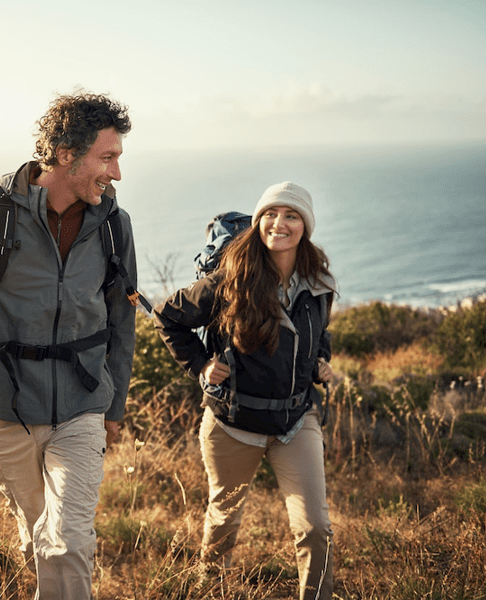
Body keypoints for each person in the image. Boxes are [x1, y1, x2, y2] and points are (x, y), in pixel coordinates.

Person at [0, 92, 137, 600]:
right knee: (36, 532)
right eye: (108, 158)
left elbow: (121, 324)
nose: (118, 174)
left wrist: (115, 404)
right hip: (4, 407)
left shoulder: (113, 225)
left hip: (84, 404)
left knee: (66, 540)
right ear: (65, 154)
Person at [153, 182, 337, 599]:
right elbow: (168, 316)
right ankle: (209, 591)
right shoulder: (230, 279)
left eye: (291, 215)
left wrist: (320, 361)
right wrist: (201, 364)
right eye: (270, 214)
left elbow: (319, 332)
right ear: (258, 223)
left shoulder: (319, 282)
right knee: (224, 522)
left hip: (295, 420)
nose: (279, 223)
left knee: (315, 527)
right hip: (233, 422)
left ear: (304, 226)